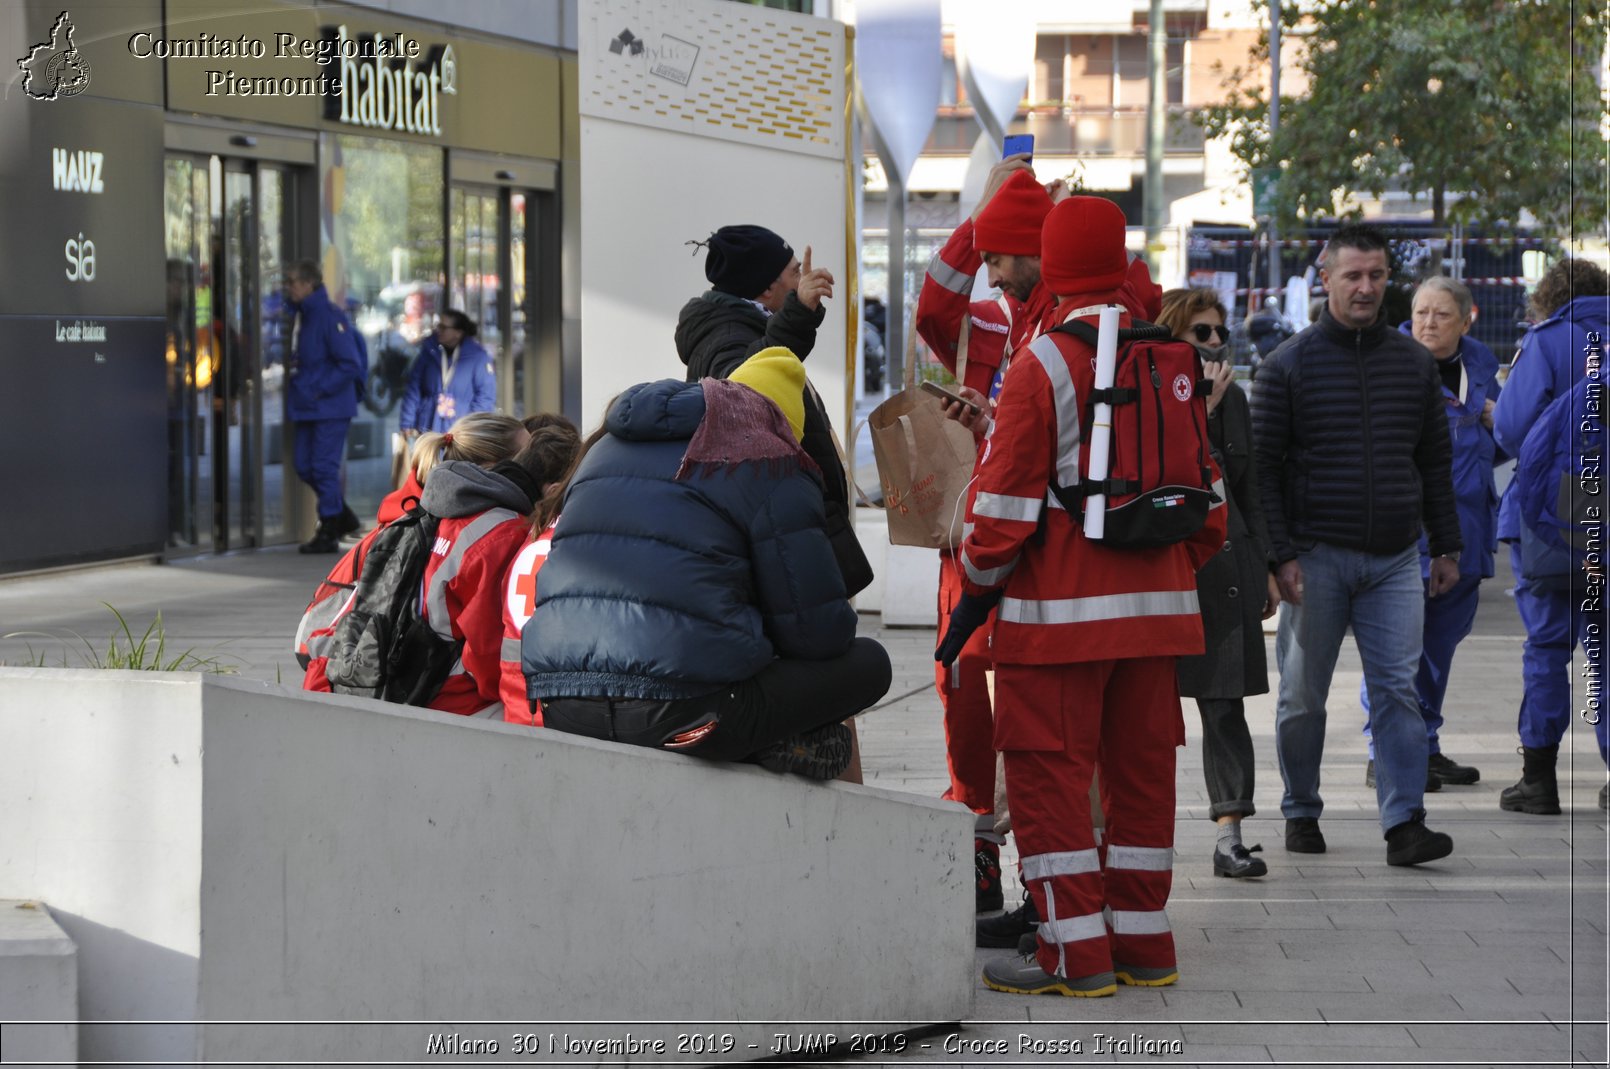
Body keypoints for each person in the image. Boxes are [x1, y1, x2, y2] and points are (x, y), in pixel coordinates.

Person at [940, 196, 1226, 997]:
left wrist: (978, 588)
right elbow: (1212, 510)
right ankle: (1145, 942)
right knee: (1140, 782)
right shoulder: (1174, 358)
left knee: (1051, 784)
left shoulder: (1044, 364)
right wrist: (1157, 576)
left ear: (1055, 267)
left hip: (1058, 623)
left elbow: (998, 517)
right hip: (1159, 624)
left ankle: (1074, 954)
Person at [523, 349, 892, 779]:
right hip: (685, 717)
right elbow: (819, 636)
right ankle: (770, 743)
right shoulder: (768, 458)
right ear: (785, 424)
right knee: (868, 663)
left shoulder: (604, 449)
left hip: (560, 706)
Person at [1250, 221, 1463, 868]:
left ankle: (1405, 822)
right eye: (1353, 275)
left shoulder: (1415, 365)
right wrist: (1279, 556)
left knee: (1398, 688)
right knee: (1302, 695)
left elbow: (1434, 458)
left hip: (1397, 557)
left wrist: (1446, 544)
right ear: (1326, 278)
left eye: (1376, 275)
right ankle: (1301, 807)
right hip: (1315, 556)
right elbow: (1260, 470)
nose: (1366, 287)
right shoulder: (1287, 364)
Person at [914, 161, 1058, 917]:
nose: (996, 275)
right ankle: (978, 855)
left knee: (1036, 706)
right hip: (968, 537)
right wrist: (982, 220)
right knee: (963, 689)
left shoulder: (1060, 315)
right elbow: (935, 298)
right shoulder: (990, 317)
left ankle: (1049, 872)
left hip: (1040, 542)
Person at [1358, 277, 1502, 790]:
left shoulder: (1481, 364)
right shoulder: (1389, 361)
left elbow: (1504, 437)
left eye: (1441, 315)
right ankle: (1385, 751)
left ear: (1468, 319)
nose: (1428, 323)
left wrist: (1494, 421)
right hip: (1407, 535)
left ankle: (1426, 746)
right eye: (1421, 312)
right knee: (1397, 650)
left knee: (1439, 650)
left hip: (1467, 533)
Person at [675, 224, 872, 599]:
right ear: (766, 288)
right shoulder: (724, 333)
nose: (803, 279)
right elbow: (744, 392)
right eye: (795, 272)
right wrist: (798, 315)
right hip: (773, 538)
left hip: (779, 529)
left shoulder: (744, 325)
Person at [1157, 287, 1280, 880]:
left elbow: (1249, 486)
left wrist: (1266, 565)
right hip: (1164, 572)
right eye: (1199, 334)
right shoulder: (1153, 391)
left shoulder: (1233, 398)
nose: (1212, 345)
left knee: (1224, 706)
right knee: (1145, 709)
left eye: (1217, 334)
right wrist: (1198, 412)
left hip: (1226, 568)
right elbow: (1162, 471)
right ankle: (1133, 832)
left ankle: (1230, 834)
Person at [1491, 257, 1610, 813]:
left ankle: (1538, 778)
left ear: (1549, 296)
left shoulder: (1546, 342)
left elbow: (1513, 430)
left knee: (1546, 644)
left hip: (1551, 511)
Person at [298, 413, 530, 692]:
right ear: (496, 465)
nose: (534, 467)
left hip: (358, 677)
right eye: (527, 457)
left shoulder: (409, 517)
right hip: (435, 696)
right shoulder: (492, 533)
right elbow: (487, 661)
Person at [1510, 371, 1609, 809]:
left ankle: (1538, 779)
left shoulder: (1581, 386)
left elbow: (1522, 444)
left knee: (1547, 649)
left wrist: (1547, 529)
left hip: (1557, 542)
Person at [497, 417, 583, 725]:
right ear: (558, 489)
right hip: (556, 715)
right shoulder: (574, 548)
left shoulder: (524, 540)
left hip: (514, 707)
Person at [285, 259, 367, 554]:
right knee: (304, 465)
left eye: (293, 282)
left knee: (322, 467)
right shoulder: (301, 314)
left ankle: (330, 526)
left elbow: (350, 364)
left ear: (309, 284)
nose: (288, 287)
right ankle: (342, 515)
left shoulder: (328, 316)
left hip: (329, 406)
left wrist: (318, 390)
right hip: (309, 404)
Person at [398, 310, 497, 438]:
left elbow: (485, 397)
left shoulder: (478, 357)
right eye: (439, 326)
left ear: (458, 333)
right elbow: (413, 390)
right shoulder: (428, 353)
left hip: (460, 434)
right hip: (427, 428)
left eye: (444, 327)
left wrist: (472, 428)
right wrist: (407, 423)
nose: (439, 330)